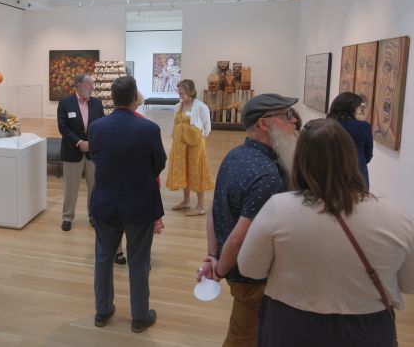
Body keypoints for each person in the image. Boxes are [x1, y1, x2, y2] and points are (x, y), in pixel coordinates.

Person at [238, 119, 413, 347]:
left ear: (301, 161)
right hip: (368, 329)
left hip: (291, 325)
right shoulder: (396, 216)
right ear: (351, 158)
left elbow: (249, 268)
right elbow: (410, 284)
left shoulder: (278, 209)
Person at [198, 93, 298, 347]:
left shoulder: (234, 154)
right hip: (252, 279)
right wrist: (218, 270)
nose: (294, 121)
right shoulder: (267, 175)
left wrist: (213, 255)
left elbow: (214, 210)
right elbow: (238, 240)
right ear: (264, 124)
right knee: (243, 338)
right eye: (286, 116)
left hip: (237, 269)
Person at [88, 76, 166, 333]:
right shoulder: (149, 129)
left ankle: (102, 310)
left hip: (105, 203)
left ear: (112, 98)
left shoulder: (97, 127)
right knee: (139, 260)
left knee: (103, 258)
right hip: (139, 204)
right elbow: (159, 163)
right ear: (135, 97)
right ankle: (140, 316)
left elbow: (96, 157)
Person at [57, 74, 104, 231]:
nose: (91, 87)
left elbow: (101, 125)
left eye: (92, 84)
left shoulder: (97, 103)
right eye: (88, 84)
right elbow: (63, 127)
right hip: (72, 151)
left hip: (93, 151)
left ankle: (93, 215)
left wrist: (92, 142)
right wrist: (79, 143)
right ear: (78, 85)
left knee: (95, 186)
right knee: (71, 187)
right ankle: (67, 217)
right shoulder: (65, 103)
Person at [166, 79, 213, 216]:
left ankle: (200, 206)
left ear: (190, 90)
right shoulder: (177, 106)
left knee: (197, 172)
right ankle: (186, 201)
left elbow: (207, 127)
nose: (180, 92)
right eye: (179, 89)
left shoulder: (201, 106)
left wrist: (197, 140)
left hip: (195, 146)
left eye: (183, 89)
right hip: (180, 146)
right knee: (183, 171)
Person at [327, 92, 373, 186]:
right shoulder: (364, 127)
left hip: (331, 174)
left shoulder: (326, 125)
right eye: (359, 107)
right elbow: (368, 156)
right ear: (352, 109)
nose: (360, 110)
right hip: (357, 174)